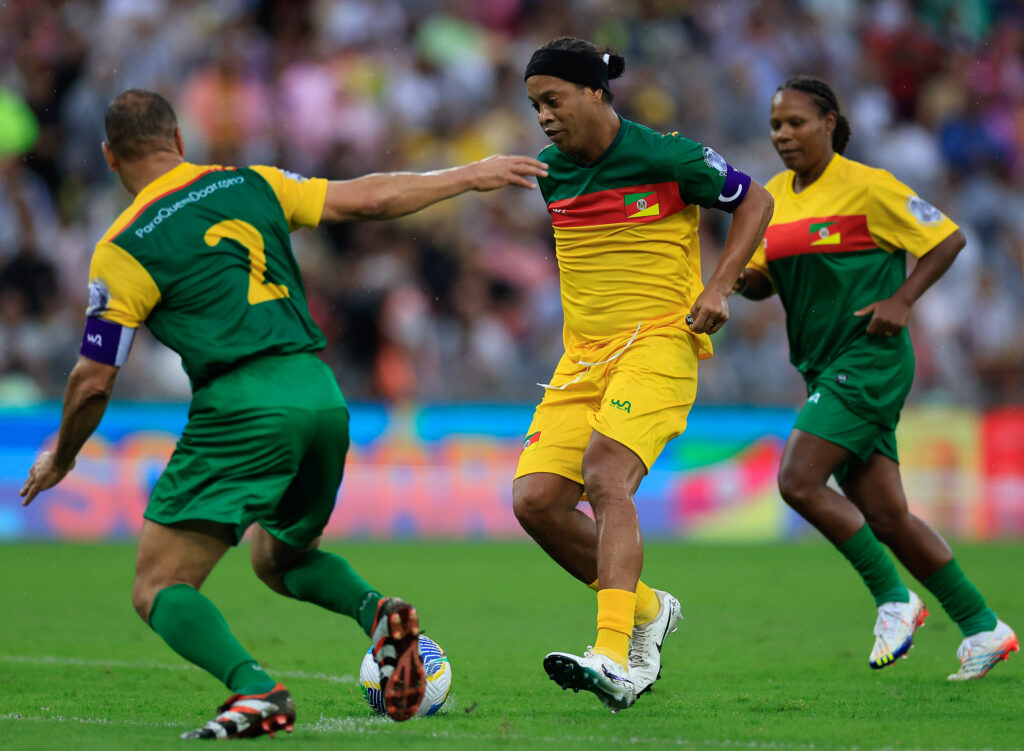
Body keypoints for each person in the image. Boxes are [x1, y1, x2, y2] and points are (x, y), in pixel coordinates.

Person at [19, 89, 547, 739]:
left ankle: (255, 689)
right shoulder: (254, 182)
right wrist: (467, 174)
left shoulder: (122, 249)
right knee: (280, 556)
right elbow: (372, 198)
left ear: (108, 157)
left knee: (157, 584)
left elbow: (94, 378)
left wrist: (64, 454)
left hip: (243, 404)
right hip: (320, 394)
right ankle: (376, 611)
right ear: (180, 142)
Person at [516, 37, 774, 711]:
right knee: (536, 502)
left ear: (596, 93)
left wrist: (718, 285)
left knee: (606, 476)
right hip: (581, 359)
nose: (542, 116)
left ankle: (613, 654)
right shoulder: (550, 172)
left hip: (662, 340)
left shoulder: (667, 155)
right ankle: (650, 609)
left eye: (553, 100)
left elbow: (756, 200)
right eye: (534, 105)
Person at [734, 75, 1018, 680]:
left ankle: (894, 598)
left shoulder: (869, 186)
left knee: (797, 481)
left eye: (796, 123)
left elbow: (946, 238)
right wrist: (733, 276)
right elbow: (762, 280)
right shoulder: (774, 197)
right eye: (776, 126)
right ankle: (982, 625)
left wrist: (905, 299)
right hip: (822, 363)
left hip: (870, 357)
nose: (783, 135)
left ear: (830, 123)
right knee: (888, 517)